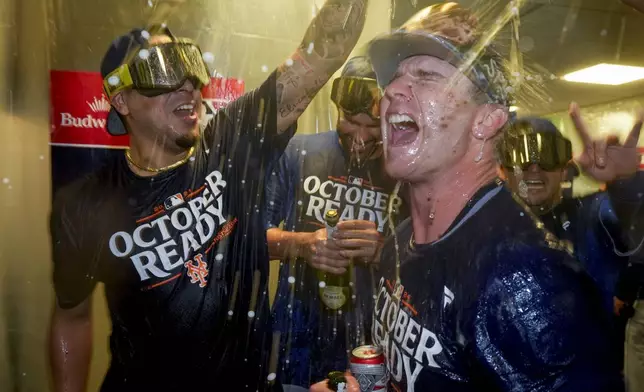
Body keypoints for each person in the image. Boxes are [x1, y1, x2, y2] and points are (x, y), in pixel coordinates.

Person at [48, 1, 369, 390]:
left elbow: (320, 57)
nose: (188, 84)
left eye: (190, 65)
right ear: (121, 99)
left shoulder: (230, 147)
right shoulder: (84, 204)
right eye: (162, 68)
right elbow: (72, 316)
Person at [314, 2, 633, 390]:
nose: (393, 89)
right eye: (396, 77)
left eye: (427, 76)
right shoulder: (400, 240)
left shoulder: (527, 281)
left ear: (487, 120)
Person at [265, 55, 406, 390]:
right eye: (348, 120)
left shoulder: (406, 174)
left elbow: (428, 266)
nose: (359, 135)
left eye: (372, 125)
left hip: (372, 350)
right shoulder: (297, 153)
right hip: (293, 341)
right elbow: (249, 237)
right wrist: (301, 245)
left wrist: (384, 253)